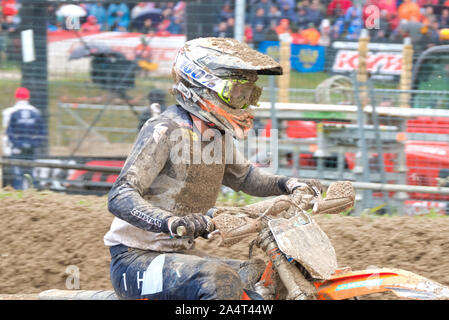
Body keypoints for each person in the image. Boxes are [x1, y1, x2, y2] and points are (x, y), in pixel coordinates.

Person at [104, 37, 324, 300]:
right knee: (219, 280)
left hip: (177, 256)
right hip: (134, 259)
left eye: (248, 94)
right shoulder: (166, 129)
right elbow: (120, 194)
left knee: (260, 276)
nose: (243, 102)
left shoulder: (216, 135)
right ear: (203, 85)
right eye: (235, 93)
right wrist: (171, 222)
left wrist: (290, 184)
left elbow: (247, 178)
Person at [4, 87, 46, 190]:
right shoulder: (35, 112)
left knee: (17, 174)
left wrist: (15, 144)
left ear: (16, 97)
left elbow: (8, 131)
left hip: (15, 148)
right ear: (28, 97)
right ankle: (32, 195)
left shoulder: (9, 112)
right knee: (31, 173)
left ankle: (18, 196)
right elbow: (42, 131)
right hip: (31, 148)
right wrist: (35, 143)